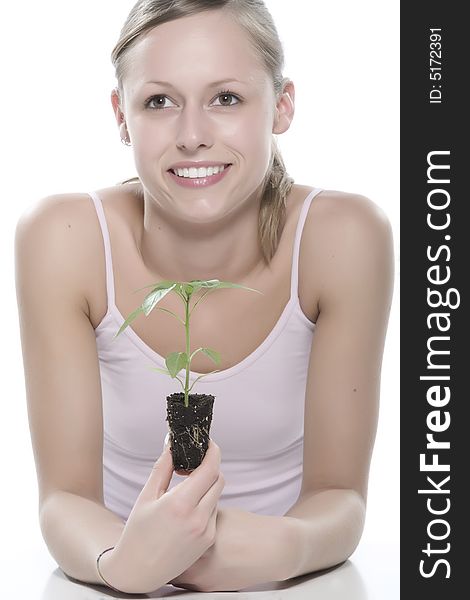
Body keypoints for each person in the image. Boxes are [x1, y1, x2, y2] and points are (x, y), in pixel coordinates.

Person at [14, 0, 394, 594]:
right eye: (159, 102)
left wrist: (286, 547)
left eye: (226, 98)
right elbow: (64, 497)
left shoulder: (344, 236)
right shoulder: (64, 238)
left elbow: (340, 495)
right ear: (121, 114)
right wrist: (120, 563)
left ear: (282, 104)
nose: (192, 137)